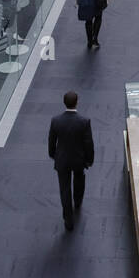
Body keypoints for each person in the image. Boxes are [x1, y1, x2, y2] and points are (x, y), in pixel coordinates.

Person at [48, 91, 95, 231]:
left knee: (64, 189)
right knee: (79, 179)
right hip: (78, 159)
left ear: (64, 103)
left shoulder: (56, 121)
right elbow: (88, 143)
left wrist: (53, 155)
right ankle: (78, 201)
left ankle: (68, 219)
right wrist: (89, 160)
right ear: (77, 102)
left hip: (62, 160)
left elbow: (51, 141)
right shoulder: (84, 122)